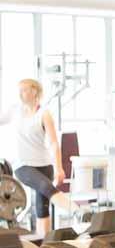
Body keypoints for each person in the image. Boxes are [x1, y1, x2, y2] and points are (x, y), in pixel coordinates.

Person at [3, 79, 69, 237]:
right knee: (47, 188)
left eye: (25, 89)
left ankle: (44, 245)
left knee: (42, 208)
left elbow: (53, 143)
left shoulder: (44, 114)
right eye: (20, 90)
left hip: (44, 165)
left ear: (35, 92)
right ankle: (76, 211)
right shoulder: (14, 110)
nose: (21, 93)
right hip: (22, 165)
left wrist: (59, 168)